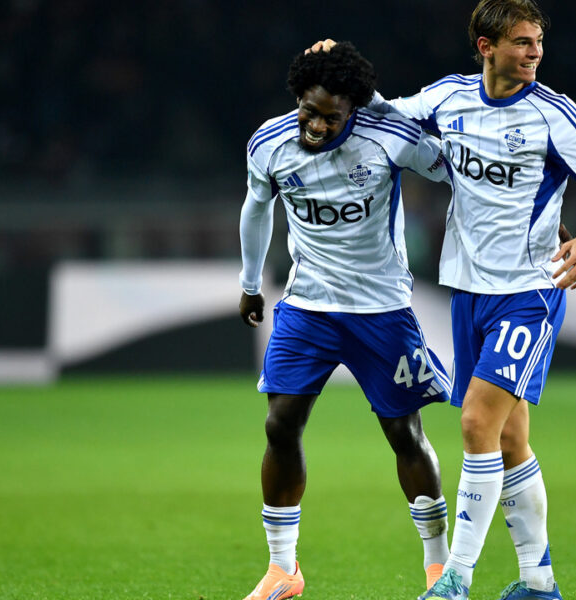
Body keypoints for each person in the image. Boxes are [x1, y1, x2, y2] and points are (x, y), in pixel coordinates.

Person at [310, 2, 576, 599]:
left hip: (529, 290)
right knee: (511, 440)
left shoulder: (554, 114)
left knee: (476, 422)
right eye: (521, 42)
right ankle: (539, 583)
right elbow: (386, 113)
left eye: (538, 41)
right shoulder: (450, 98)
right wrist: (340, 68)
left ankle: (454, 579)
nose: (535, 52)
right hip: (469, 292)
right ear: (486, 47)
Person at [238, 41, 455, 600]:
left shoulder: (386, 136)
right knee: (279, 426)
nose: (318, 125)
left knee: (404, 434)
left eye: (333, 116)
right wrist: (248, 282)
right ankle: (283, 570)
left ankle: (439, 568)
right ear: (298, 99)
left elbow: (451, 169)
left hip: (381, 309)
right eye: (310, 111)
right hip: (307, 306)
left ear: (356, 109)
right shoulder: (269, 142)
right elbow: (256, 207)